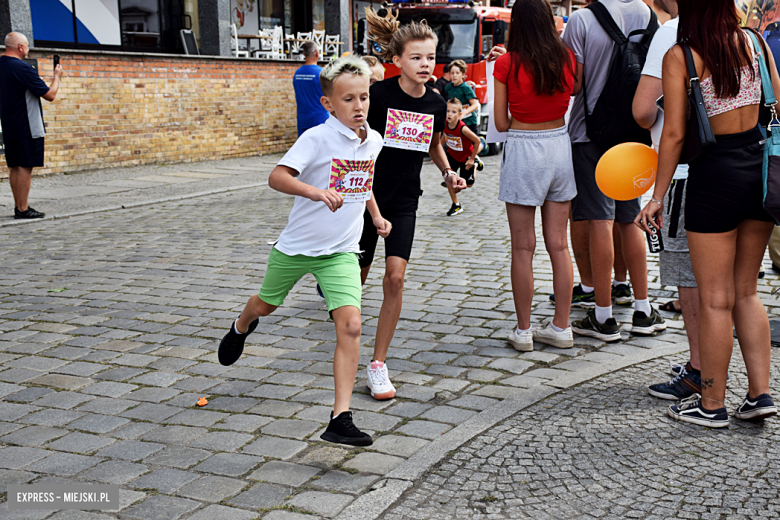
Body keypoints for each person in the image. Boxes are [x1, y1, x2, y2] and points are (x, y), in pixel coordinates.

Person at [217, 56, 392, 445]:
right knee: (266, 303)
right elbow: (276, 176)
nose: (359, 106)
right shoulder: (316, 137)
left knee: (351, 324)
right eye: (348, 99)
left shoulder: (374, 140)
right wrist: (315, 192)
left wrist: (376, 217)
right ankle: (242, 324)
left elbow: (363, 184)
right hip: (298, 247)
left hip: (342, 251)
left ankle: (340, 418)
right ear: (329, 103)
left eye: (364, 97)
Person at [636, 0, 780, 427]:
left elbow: (676, 132)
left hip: (713, 178)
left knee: (715, 298)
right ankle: (760, 394)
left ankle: (712, 404)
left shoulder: (681, 55)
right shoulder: (754, 42)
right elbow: (777, 106)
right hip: (760, 173)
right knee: (746, 292)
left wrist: (657, 195)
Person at [360, 7, 466, 400]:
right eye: (416, 57)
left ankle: (377, 364)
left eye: (430, 57)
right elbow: (354, 145)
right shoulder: (378, 97)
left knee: (396, 278)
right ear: (397, 60)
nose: (425, 64)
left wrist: (447, 172)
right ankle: (346, 344)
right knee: (355, 283)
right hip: (364, 199)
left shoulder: (437, 104)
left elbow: (435, 146)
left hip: (404, 200)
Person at [563, 0, 666, 342]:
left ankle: (604, 317)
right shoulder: (648, 15)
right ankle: (643, 309)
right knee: (629, 217)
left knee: (599, 221)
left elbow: (574, 85)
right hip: (632, 134)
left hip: (589, 133)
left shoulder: (580, 20)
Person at [493, 0, 579, 351]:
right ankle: (561, 326)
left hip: (524, 147)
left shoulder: (506, 63)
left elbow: (500, 123)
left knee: (522, 247)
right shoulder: (567, 58)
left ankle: (524, 330)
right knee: (559, 244)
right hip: (560, 145)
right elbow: (570, 93)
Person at [632, 0, 702, 400]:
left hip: (683, 171)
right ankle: (754, 388)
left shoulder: (673, 33)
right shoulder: (746, 37)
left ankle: (699, 371)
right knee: (737, 288)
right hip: (736, 170)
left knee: (689, 281)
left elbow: (644, 111)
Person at [0, 32, 62, 219]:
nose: (28, 50)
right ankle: (23, 209)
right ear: (20, 47)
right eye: (27, 46)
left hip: (9, 124)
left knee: (14, 166)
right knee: (26, 166)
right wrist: (57, 76)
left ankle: (18, 206)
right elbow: (49, 95)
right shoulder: (23, 68)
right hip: (28, 124)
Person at [440, 98, 483, 216]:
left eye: (453, 112)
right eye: (448, 111)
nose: (449, 114)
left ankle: (475, 164)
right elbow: (444, 136)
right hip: (452, 156)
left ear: (459, 114)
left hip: (466, 158)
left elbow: (477, 141)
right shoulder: (443, 124)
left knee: (468, 184)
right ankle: (456, 204)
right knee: (449, 178)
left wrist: (472, 159)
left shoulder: (462, 128)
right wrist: (437, 153)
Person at [293, 42, 329, 136]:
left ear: (304, 54)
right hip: (320, 120)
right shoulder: (321, 73)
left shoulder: (297, 74)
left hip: (303, 120)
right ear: (317, 53)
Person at [445, 60, 480, 136]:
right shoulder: (448, 87)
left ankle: (483, 145)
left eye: (457, 73)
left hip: (469, 121)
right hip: (456, 121)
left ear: (463, 75)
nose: (454, 75)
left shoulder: (466, 88)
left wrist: (464, 113)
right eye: (452, 73)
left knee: (473, 144)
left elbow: (475, 104)